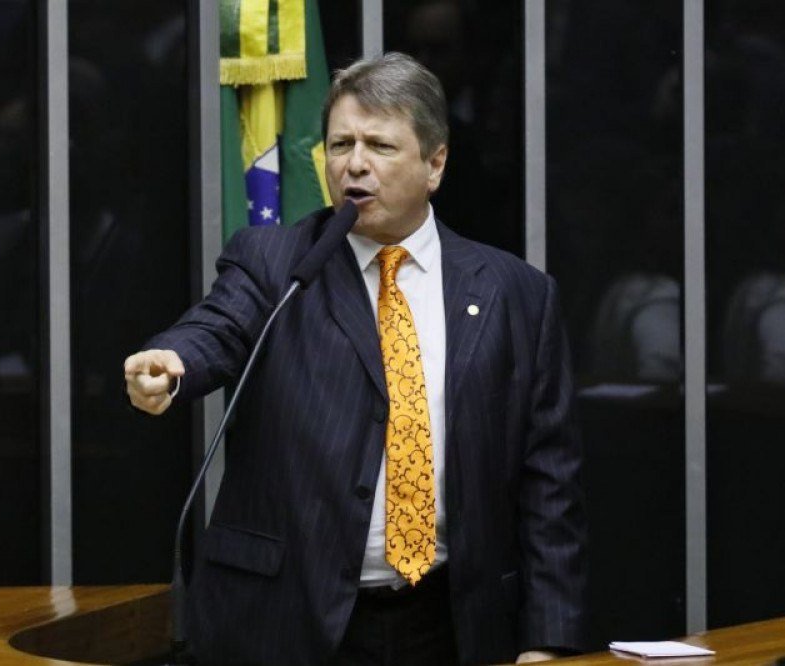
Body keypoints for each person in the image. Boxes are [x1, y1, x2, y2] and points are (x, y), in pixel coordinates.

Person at [124, 53, 587, 666]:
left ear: (436, 163)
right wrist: (173, 361)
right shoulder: (275, 262)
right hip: (287, 619)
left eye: (380, 145)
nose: (355, 165)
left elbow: (549, 479)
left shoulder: (516, 293)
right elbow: (218, 327)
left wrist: (546, 640)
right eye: (340, 144)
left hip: (452, 621)